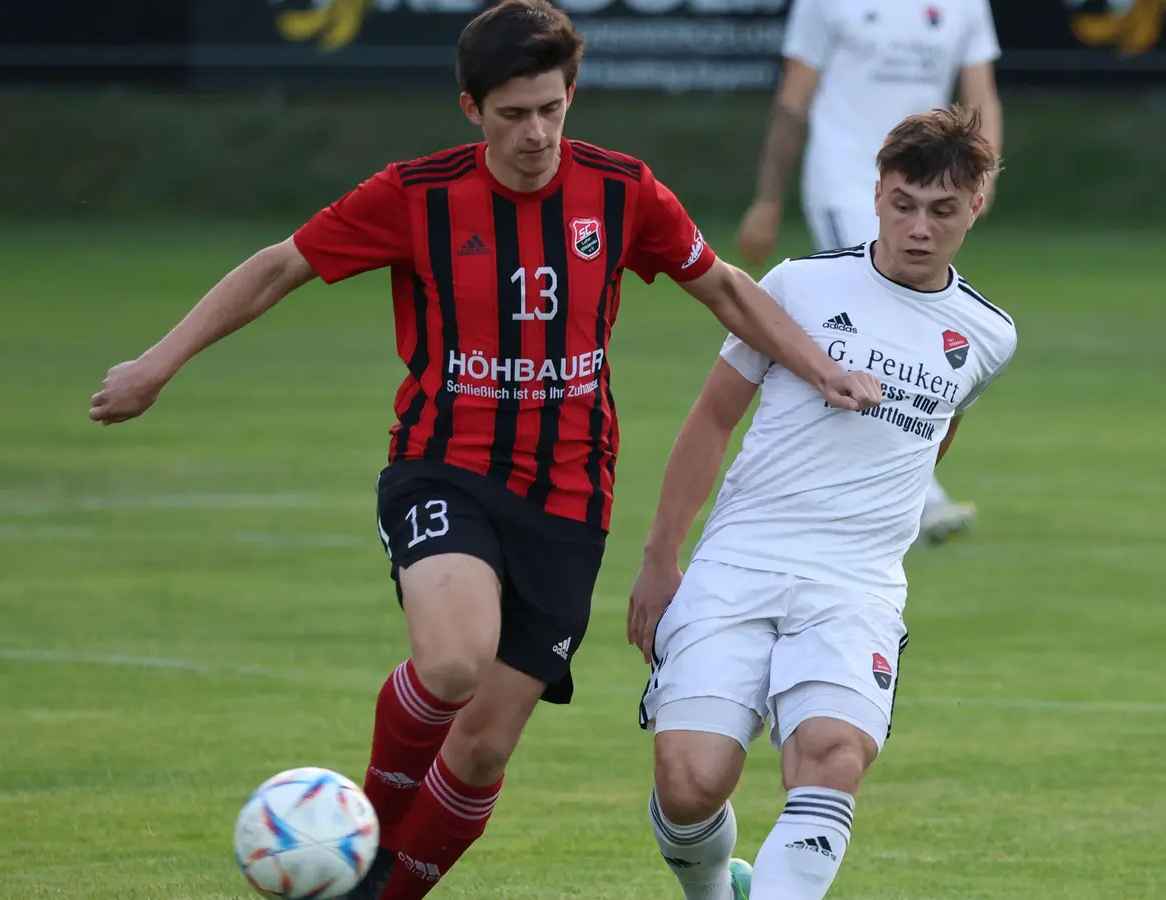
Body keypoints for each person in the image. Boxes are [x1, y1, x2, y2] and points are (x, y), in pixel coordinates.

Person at [86, 2, 882, 898]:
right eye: (513, 114)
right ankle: (367, 829)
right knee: (455, 660)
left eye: (551, 109)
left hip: (571, 497)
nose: (536, 133)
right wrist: (156, 365)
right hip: (445, 467)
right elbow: (280, 266)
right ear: (472, 109)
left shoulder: (621, 191)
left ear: (572, 95)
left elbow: (726, 289)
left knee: (484, 747)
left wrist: (821, 368)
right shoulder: (416, 196)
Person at [630, 106, 1016, 900]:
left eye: (943, 210)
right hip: (742, 559)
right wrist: (661, 558)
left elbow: (933, 440)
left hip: (856, 583)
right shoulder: (796, 286)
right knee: (690, 782)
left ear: (976, 207)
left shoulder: (988, 335)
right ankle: (714, 889)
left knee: (833, 756)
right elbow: (713, 418)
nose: (919, 228)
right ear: (876, 195)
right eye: (903, 204)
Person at [734, 0, 1006, 545]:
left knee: (904, 328)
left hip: (930, 191)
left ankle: (893, 482)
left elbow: (982, 93)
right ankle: (918, 496)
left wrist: (984, 174)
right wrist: (768, 199)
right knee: (872, 318)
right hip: (845, 178)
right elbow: (793, 97)